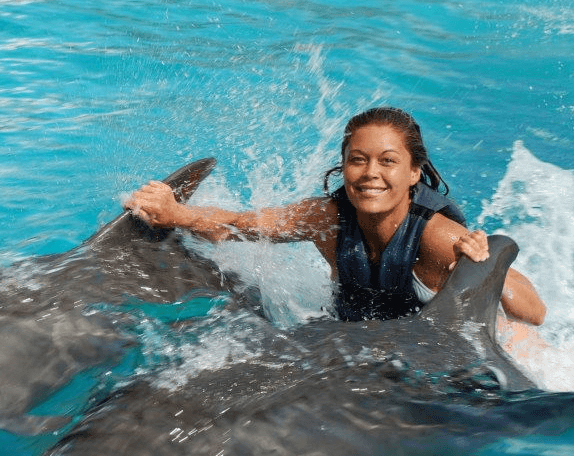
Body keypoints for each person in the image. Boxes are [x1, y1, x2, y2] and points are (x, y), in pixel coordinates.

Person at [124, 107, 546, 327]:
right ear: (343, 167)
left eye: (388, 161)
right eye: (357, 160)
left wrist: (486, 269)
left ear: (414, 172)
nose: (370, 174)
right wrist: (175, 213)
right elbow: (240, 224)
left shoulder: (436, 238)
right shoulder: (326, 217)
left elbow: (534, 312)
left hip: (428, 349)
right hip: (357, 339)